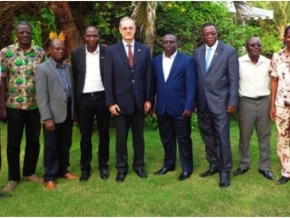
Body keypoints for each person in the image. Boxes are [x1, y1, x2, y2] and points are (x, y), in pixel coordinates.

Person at [104, 16, 152, 182]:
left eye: (130, 28)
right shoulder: (111, 51)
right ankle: (121, 168)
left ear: (134, 29)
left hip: (139, 102)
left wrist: (148, 99)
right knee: (121, 138)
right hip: (120, 103)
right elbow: (108, 78)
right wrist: (110, 102)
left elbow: (148, 76)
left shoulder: (144, 50)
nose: (128, 31)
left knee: (139, 137)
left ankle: (139, 165)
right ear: (120, 30)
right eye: (125, 28)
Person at [0, 21, 45, 193]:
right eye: (21, 32)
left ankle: (29, 172)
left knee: (34, 140)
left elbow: (45, 75)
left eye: (27, 32)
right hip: (14, 105)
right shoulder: (6, 53)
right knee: (13, 143)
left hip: (35, 105)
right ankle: (13, 177)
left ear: (31, 33)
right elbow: (2, 79)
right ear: (16, 34)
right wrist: (2, 106)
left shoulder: (39, 52)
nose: (25, 35)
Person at [193, 23, 239, 188]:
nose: (210, 36)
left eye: (212, 33)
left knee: (222, 137)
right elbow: (197, 78)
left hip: (221, 102)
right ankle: (213, 164)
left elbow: (234, 79)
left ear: (217, 33)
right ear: (202, 35)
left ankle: (225, 171)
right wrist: (194, 101)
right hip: (202, 102)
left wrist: (232, 102)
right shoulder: (198, 52)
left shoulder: (229, 51)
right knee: (207, 136)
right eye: (206, 34)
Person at [35, 39, 78, 190]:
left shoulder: (67, 67)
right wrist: (47, 118)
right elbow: (41, 97)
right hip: (52, 116)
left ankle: (63, 171)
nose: (60, 51)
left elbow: (71, 91)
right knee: (51, 147)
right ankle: (49, 176)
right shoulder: (42, 69)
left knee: (65, 145)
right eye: (56, 49)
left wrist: (74, 113)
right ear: (49, 50)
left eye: (62, 49)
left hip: (66, 114)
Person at [152, 34, 196, 181]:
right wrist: (152, 103)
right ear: (162, 44)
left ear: (177, 43)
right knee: (166, 138)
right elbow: (153, 85)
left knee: (183, 139)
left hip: (181, 108)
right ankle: (169, 164)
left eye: (172, 42)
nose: (169, 44)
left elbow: (191, 86)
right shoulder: (156, 61)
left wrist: (189, 106)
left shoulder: (187, 61)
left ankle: (187, 168)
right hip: (162, 108)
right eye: (166, 42)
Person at [72, 26, 110, 182]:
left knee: (104, 134)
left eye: (95, 35)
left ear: (99, 37)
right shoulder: (77, 53)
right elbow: (75, 77)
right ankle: (85, 168)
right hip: (85, 99)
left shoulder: (106, 52)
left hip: (102, 97)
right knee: (85, 136)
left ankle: (103, 165)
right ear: (84, 37)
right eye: (89, 36)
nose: (92, 38)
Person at [233, 37, 274, 180]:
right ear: (246, 47)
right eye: (252, 45)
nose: (255, 47)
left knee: (264, 136)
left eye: (258, 45)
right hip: (245, 103)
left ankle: (265, 166)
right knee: (245, 136)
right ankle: (243, 164)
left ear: (261, 47)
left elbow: (274, 82)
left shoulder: (268, 63)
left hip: (264, 102)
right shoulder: (238, 62)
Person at [269, 25, 290, 185]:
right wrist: (272, 106)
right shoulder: (277, 57)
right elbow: (274, 81)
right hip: (282, 105)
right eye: (289, 36)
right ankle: (286, 171)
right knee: (283, 138)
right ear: (284, 38)